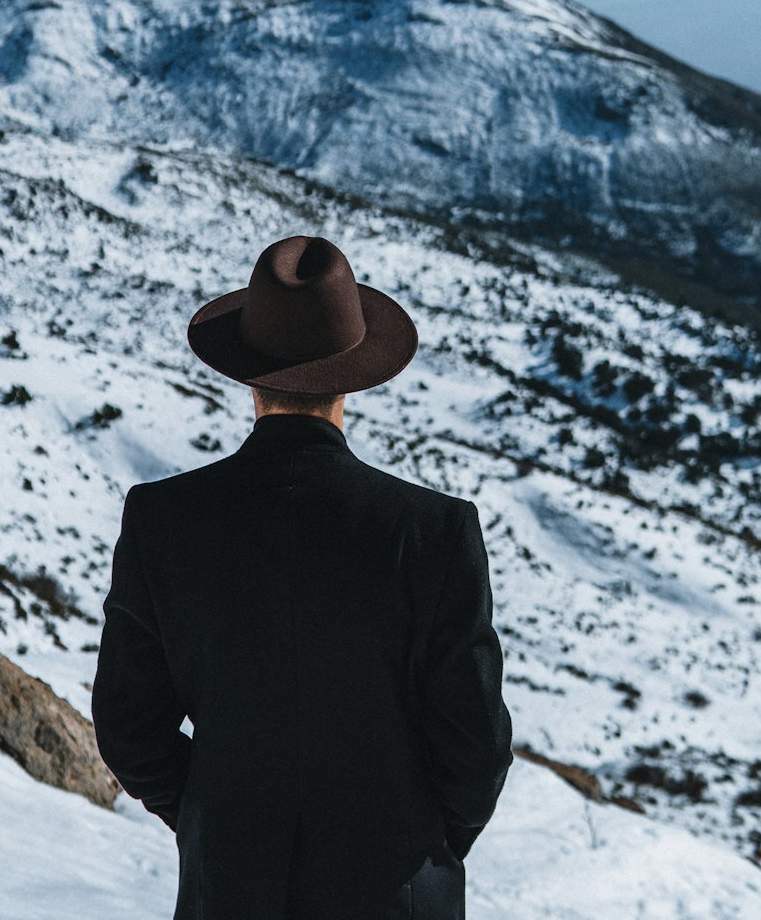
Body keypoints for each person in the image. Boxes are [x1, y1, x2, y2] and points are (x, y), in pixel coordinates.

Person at [92, 235, 513, 920]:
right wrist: (421, 843)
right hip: (397, 894)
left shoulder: (162, 521)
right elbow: (477, 749)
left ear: (246, 375)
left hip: (228, 891)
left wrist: (213, 819)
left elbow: (128, 726)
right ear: (351, 377)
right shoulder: (434, 531)